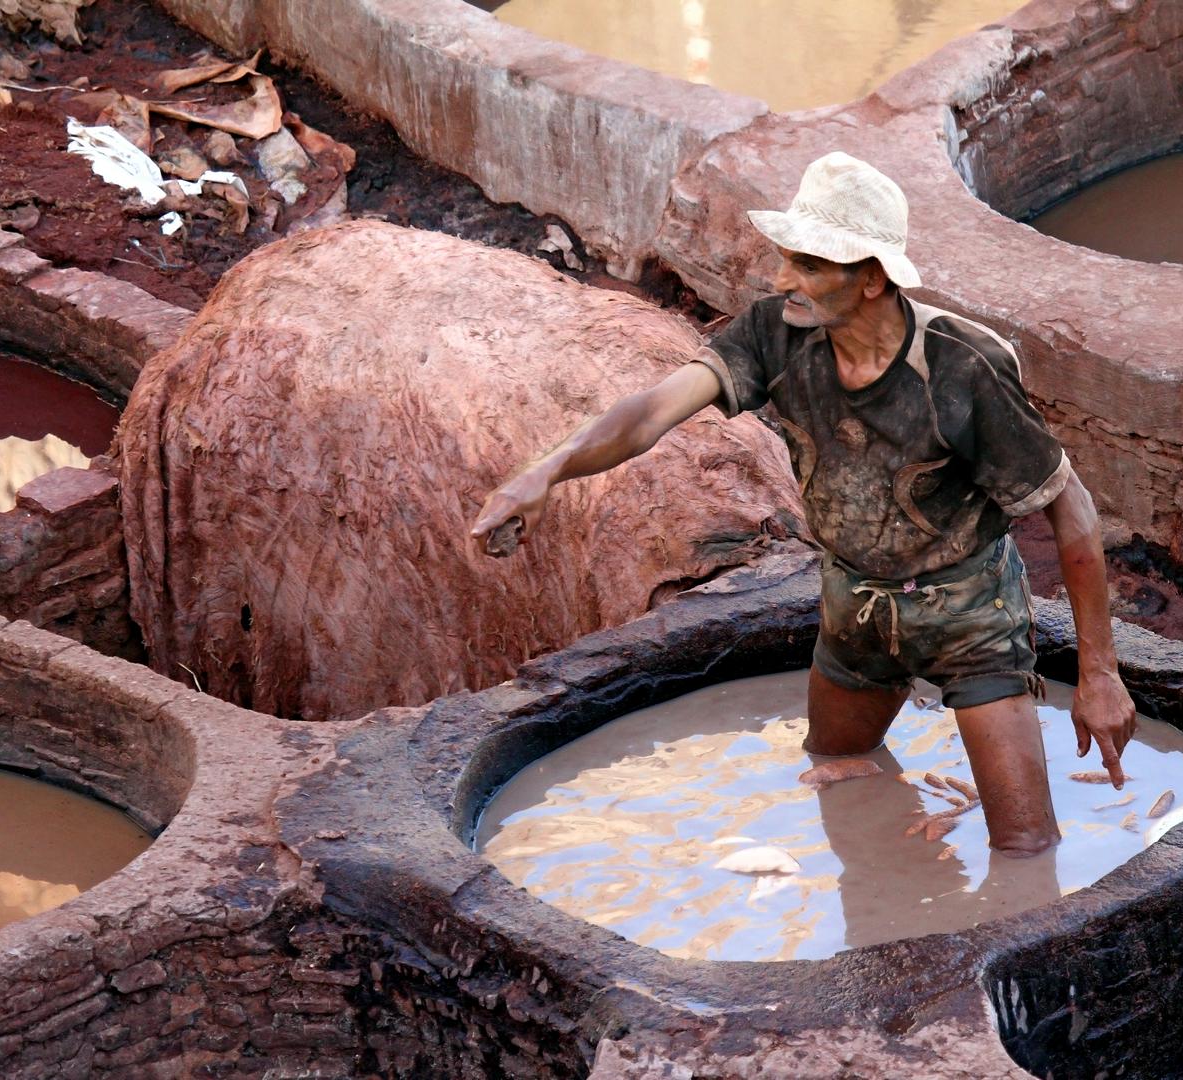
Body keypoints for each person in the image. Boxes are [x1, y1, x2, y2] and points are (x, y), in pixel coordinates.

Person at [470, 151, 1136, 857]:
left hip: (967, 613)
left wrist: (1098, 672)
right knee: (837, 778)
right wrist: (547, 471)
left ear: (874, 278)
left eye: (811, 265)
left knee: (1027, 848)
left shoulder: (960, 367)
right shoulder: (776, 334)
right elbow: (647, 415)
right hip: (852, 605)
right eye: (787, 258)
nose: (783, 279)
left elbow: (1075, 512)